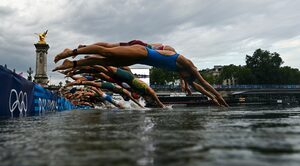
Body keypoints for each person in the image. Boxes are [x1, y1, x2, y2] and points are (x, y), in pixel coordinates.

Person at [53, 41, 228, 107]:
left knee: (105, 61)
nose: (188, 81)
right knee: (108, 53)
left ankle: (74, 63)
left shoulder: (184, 74)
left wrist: (212, 98)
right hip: (143, 52)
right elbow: (204, 83)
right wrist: (218, 96)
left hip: (141, 58)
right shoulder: (186, 64)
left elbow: (199, 88)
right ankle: (72, 52)